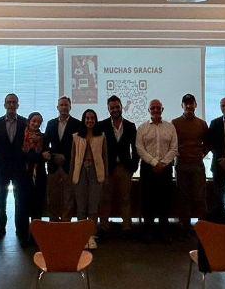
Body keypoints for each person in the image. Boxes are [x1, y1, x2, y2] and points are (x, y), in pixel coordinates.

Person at [135, 99, 178, 242]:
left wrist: (163, 163)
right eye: (152, 108)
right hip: (148, 169)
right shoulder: (142, 128)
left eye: (158, 108)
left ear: (162, 109)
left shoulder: (170, 127)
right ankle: (148, 232)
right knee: (148, 200)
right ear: (148, 110)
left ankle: (164, 232)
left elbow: (174, 148)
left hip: (165, 169)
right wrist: (154, 162)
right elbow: (139, 148)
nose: (155, 110)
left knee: (164, 200)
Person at [0, 94, 28, 244]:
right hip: (2, 167)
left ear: (18, 105)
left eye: (14, 102)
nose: (11, 105)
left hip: (19, 168)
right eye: (9, 102)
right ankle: (0, 228)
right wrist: (2, 152)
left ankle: (21, 231)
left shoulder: (25, 122)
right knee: (0, 200)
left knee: (20, 200)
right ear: (4, 105)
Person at [97, 95, 139, 233]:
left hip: (125, 168)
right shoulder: (101, 125)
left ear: (121, 107)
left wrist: (134, 166)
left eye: (117, 107)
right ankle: (103, 227)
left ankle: (126, 227)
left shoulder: (130, 126)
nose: (115, 109)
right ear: (108, 109)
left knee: (125, 198)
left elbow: (136, 148)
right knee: (105, 199)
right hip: (108, 168)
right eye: (112, 107)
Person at [171, 93, 210, 233]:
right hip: (181, 165)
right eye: (186, 103)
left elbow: (208, 142)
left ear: (195, 105)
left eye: (191, 103)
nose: (189, 106)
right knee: (183, 196)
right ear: (182, 106)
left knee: (200, 195)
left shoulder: (201, 123)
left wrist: (203, 153)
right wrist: (176, 153)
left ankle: (203, 227)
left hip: (197, 165)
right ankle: (184, 227)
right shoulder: (174, 123)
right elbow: (171, 143)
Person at [71, 109, 108, 249]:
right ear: (83, 119)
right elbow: (73, 159)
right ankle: (82, 236)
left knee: (93, 206)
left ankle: (91, 236)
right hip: (80, 173)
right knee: (81, 206)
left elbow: (105, 157)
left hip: (96, 172)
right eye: (87, 118)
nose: (90, 120)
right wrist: (71, 177)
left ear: (96, 120)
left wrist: (105, 177)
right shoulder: (76, 137)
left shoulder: (101, 136)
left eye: (92, 118)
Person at [43, 96, 82, 222]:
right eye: (62, 105)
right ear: (57, 107)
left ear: (70, 107)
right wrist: (53, 156)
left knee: (68, 197)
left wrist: (66, 157)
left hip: (69, 166)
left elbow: (79, 147)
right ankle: (53, 222)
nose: (64, 107)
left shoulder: (77, 124)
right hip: (53, 166)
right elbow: (45, 144)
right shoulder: (51, 123)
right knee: (52, 196)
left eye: (66, 105)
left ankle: (66, 223)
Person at [21, 112, 49, 236]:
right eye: (34, 121)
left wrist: (40, 157)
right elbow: (23, 156)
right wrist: (39, 156)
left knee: (38, 206)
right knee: (24, 206)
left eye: (39, 122)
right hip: (24, 175)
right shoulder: (22, 136)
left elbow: (47, 155)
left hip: (40, 175)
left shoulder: (44, 137)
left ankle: (36, 234)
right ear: (29, 122)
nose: (36, 124)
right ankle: (24, 233)